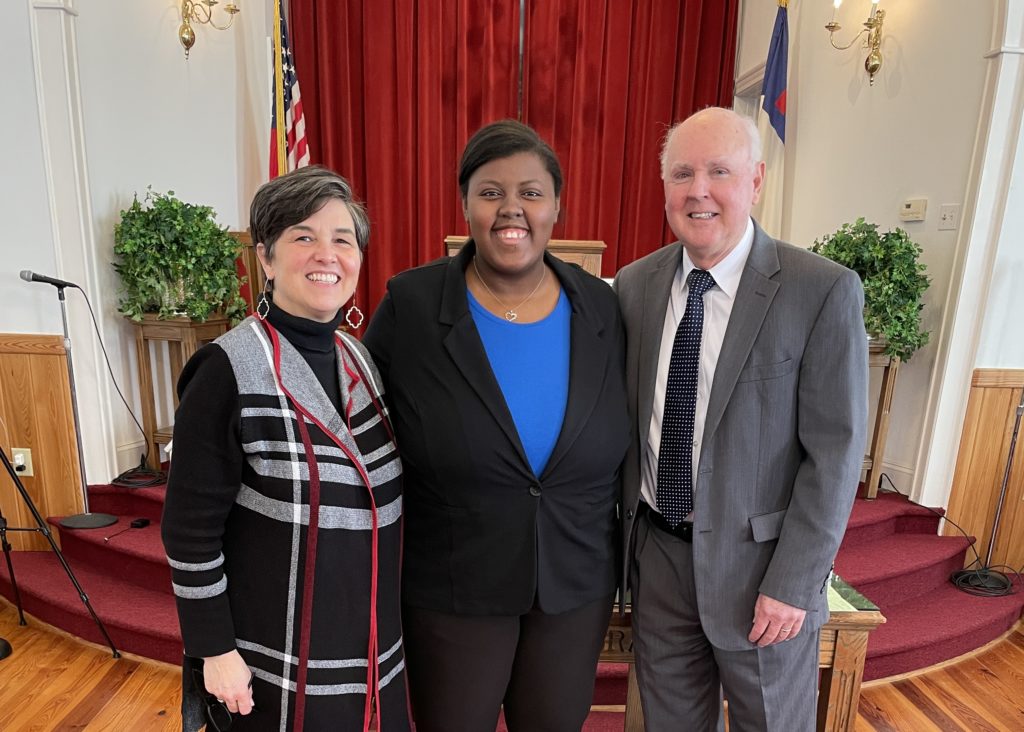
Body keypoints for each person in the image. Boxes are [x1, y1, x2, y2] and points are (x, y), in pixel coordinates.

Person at [363, 120, 629, 732]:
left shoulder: (603, 308)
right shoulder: (411, 304)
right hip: (454, 586)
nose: (512, 209)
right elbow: (361, 424)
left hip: (573, 581)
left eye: (531, 192)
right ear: (465, 203)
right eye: (490, 192)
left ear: (557, 205)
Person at [614, 107, 868, 731]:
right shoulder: (633, 285)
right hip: (659, 562)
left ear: (755, 181)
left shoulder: (820, 290)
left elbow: (834, 454)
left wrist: (795, 582)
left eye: (718, 172)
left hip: (762, 573)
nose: (698, 190)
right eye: (682, 174)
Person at [161, 166, 411, 732]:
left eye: (342, 239)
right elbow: (188, 529)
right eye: (304, 236)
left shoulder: (360, 359)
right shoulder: (227, 368)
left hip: (373, 652)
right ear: (266, 258)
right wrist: (213, 651)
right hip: (277, 660)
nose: (327, 254)